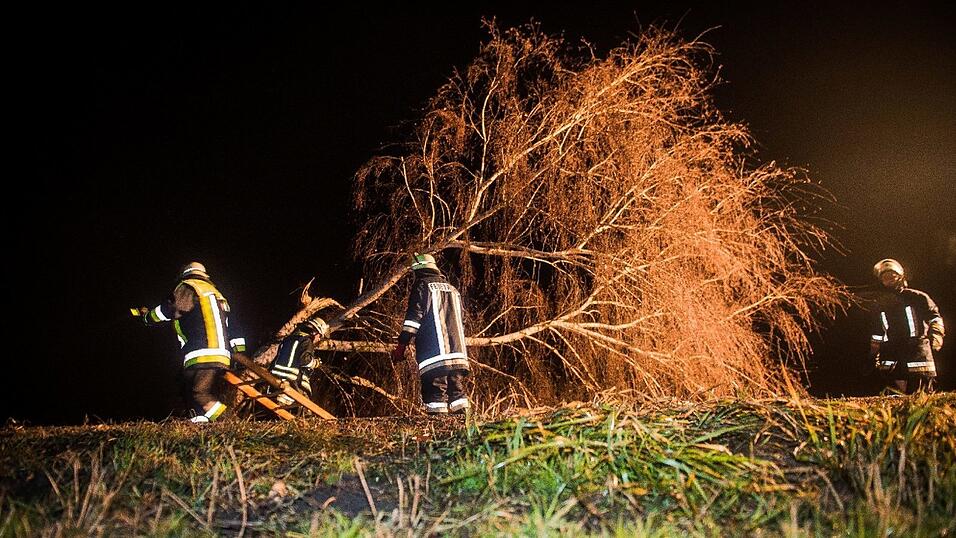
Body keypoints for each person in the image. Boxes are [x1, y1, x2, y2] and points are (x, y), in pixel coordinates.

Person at [141, 261, 239, 423]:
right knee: (188, 387)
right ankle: (199, 421)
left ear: (184, 274)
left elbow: (173, 308)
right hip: (219, 351)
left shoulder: (190, 286)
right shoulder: (216, 294)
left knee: (199, 393)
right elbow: (231, 325)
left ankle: (228, 419)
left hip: (202, 350)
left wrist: (147, 317)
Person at [392, 253, 471, 414]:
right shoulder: (453, 289)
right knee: (457, 392)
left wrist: (402, 345)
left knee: (435, 395)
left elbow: (413, 319)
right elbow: (462, 320)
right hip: (458, 352)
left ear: (418, 270)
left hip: (434, 354)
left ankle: (437, 427)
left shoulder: (422, 285)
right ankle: (466, 424)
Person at [869, 258, 945, 394]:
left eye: (892, 276)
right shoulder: (879, 304)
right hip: (891, 355)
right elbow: (877, 331)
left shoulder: (918, 297)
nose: (889, 280)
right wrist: (873, 353)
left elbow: (934, 317)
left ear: (900, 276)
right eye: (885, 277)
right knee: (893, 398)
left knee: (921, 397)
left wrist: (937, 335)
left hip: (916, 353)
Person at [269, 317, 329, 405]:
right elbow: (304, 360)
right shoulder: (307, 340)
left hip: (275, 377)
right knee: (306, 405)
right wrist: (315, 363)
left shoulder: (289, 339)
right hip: (292, 380)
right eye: (320, 336)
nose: (319, 339)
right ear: (314, 332)